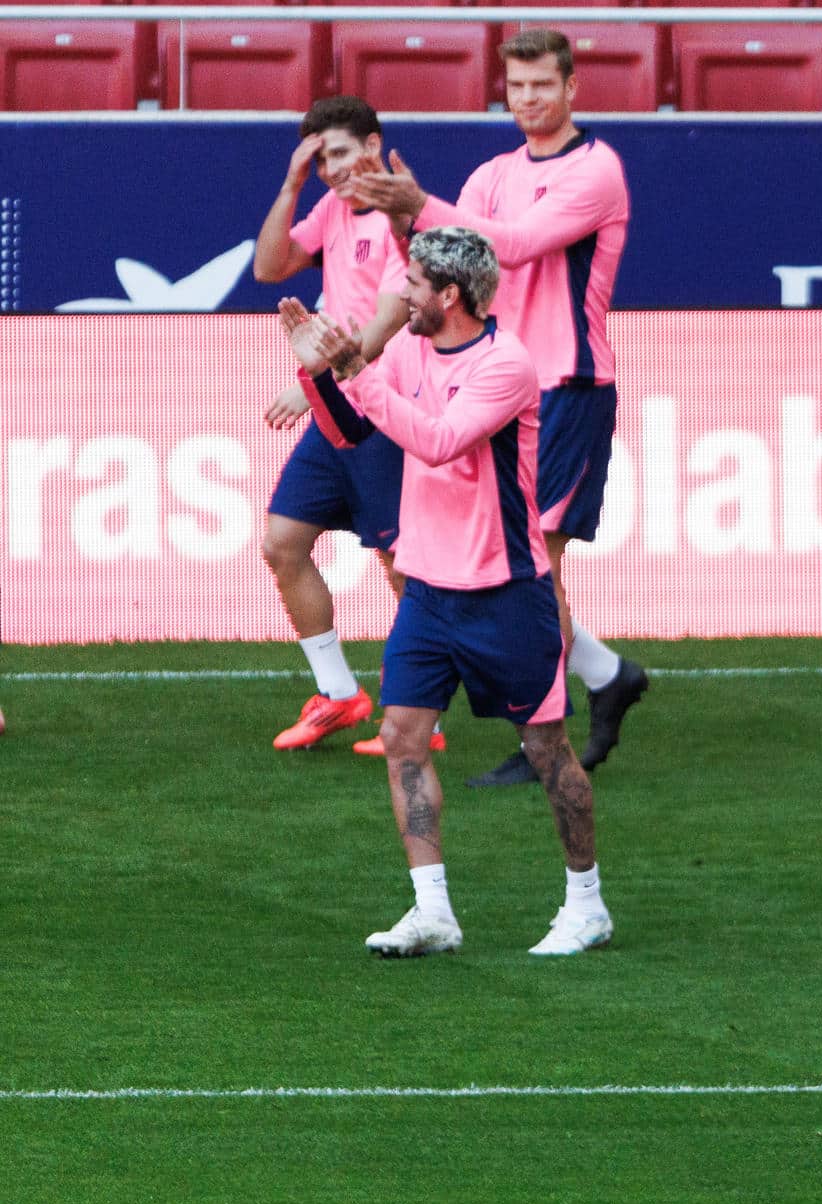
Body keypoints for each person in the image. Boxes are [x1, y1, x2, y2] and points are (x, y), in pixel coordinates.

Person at [281, 226, 612, 958]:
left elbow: (437, 439)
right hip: (428, 592)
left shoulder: (506, 366)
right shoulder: (407, 351)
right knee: (402, 737)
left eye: (414, 286)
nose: (401, 296)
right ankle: (433, 910)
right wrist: (318, 377)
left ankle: (586, 903)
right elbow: (355, 432)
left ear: (450, 295)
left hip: (506, 593)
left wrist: (351, 367)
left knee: (547, 747)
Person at [348, 28, 647, 788]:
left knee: (533, 566)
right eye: (516, 87)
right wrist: (406, 222)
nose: (528, 99)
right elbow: (454, 253)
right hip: (501, 391)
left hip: (570, 387)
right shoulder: (489, 173)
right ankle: (607, 677)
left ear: (572, 88)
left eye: (542, 85)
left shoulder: (597, 170)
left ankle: (546, 732)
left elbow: (512, 246)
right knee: (525, 569)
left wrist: (423, 205)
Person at [254, 95, 419, 754]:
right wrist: (292, 184)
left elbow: (385, 322)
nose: (332, 169)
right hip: (338, 404)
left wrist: (318, 378)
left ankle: (412, 713)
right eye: (321, 160)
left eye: (342, 153)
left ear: (375, 145)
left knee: (402, 566)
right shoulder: (330, 208)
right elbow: (269, 267)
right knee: (282, 543)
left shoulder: (404, 220)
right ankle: (340, 694)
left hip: (385, 408)